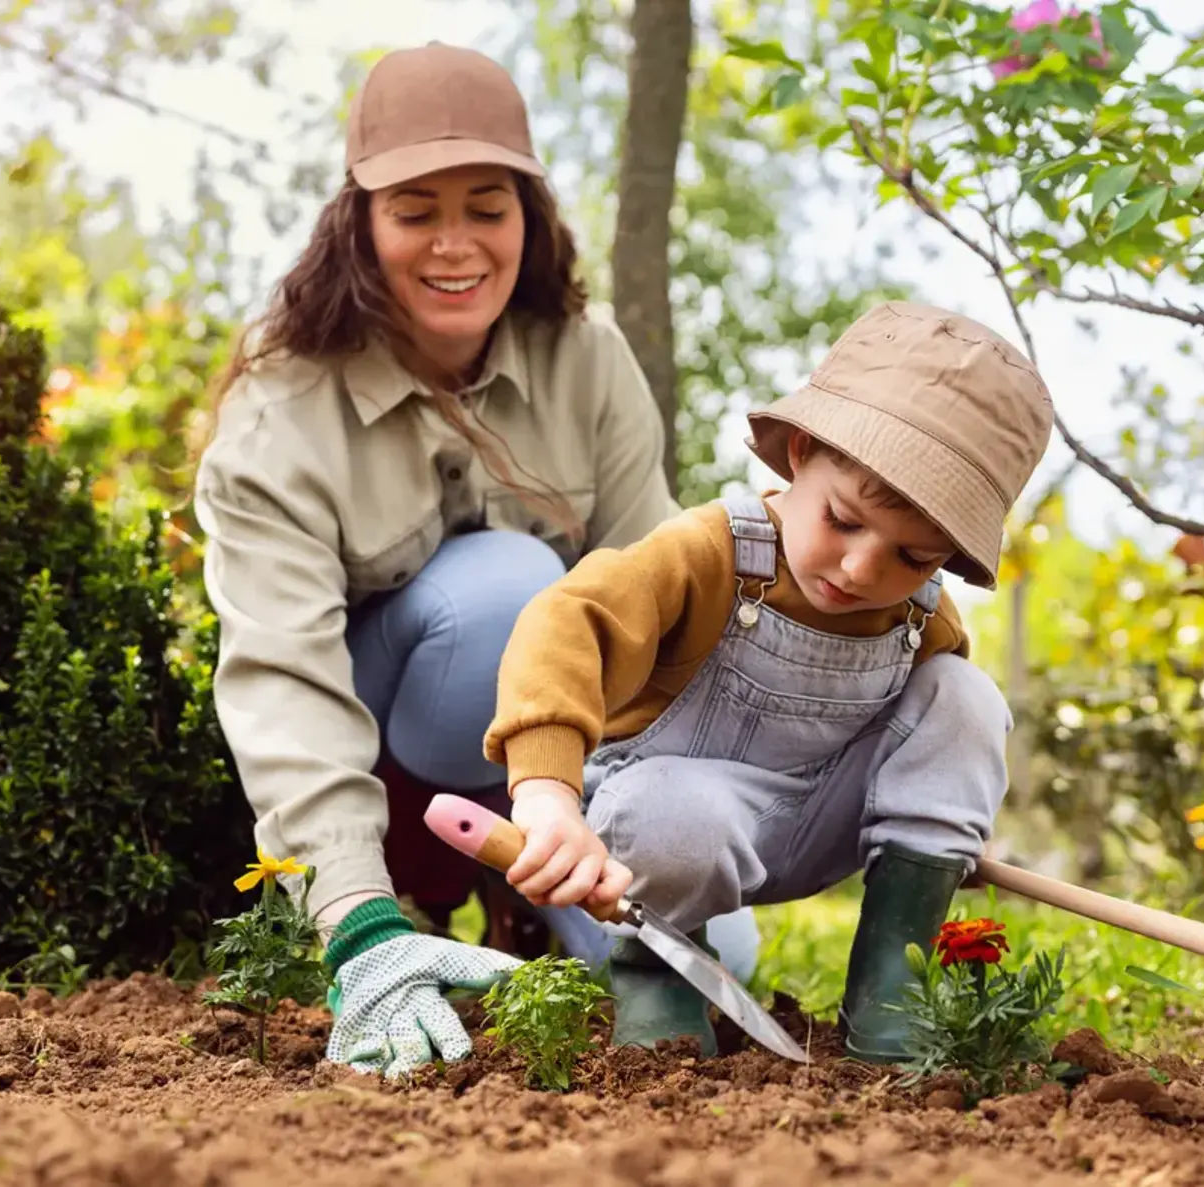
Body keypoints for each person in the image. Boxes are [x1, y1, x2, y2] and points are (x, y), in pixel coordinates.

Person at [192, 41, 757, 1082]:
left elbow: (654, 618)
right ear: (360, 224)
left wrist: (641, 834)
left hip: (546, 773)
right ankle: (407, 901)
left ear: (528, 216)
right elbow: (283, 684)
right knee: (506, 595)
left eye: (486, 207)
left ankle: (523, 897)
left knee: (712, 963)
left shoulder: (587, 360)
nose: (455, 244)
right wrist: (356, 920)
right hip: (375, 768)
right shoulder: (282, 415)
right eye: (415, 211)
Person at [482, 301, 1055, 1061]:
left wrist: (940, 843)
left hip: (826, 822)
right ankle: (657, 973)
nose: (862, 569)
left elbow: (943, 742)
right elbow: (566, 623)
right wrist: (546, 793)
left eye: (914, 557)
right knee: (671, 811)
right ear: (802, 452)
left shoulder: (922, 615)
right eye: (843, 520)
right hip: (676, 832)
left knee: (966, 692)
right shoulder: (711, 552)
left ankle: (890, 989)